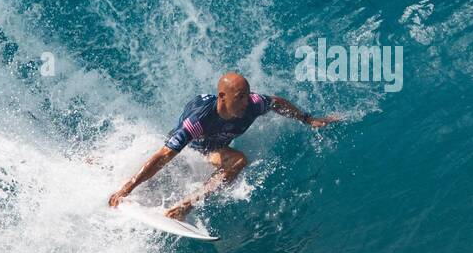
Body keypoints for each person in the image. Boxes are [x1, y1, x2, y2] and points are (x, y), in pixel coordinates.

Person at [108, 71, 339, 219]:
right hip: (192, 149)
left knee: (239, 161)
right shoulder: (199, 120)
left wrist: (308, 119)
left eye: (247, 95)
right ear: (222, 97)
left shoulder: (252, 104)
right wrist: (126, 189)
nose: (245, 102)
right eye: (239, 97)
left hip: (214, 150)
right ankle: (110, 169)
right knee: (163, 171)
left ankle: (186, 206)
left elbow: (276, 103)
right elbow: (164, 155)